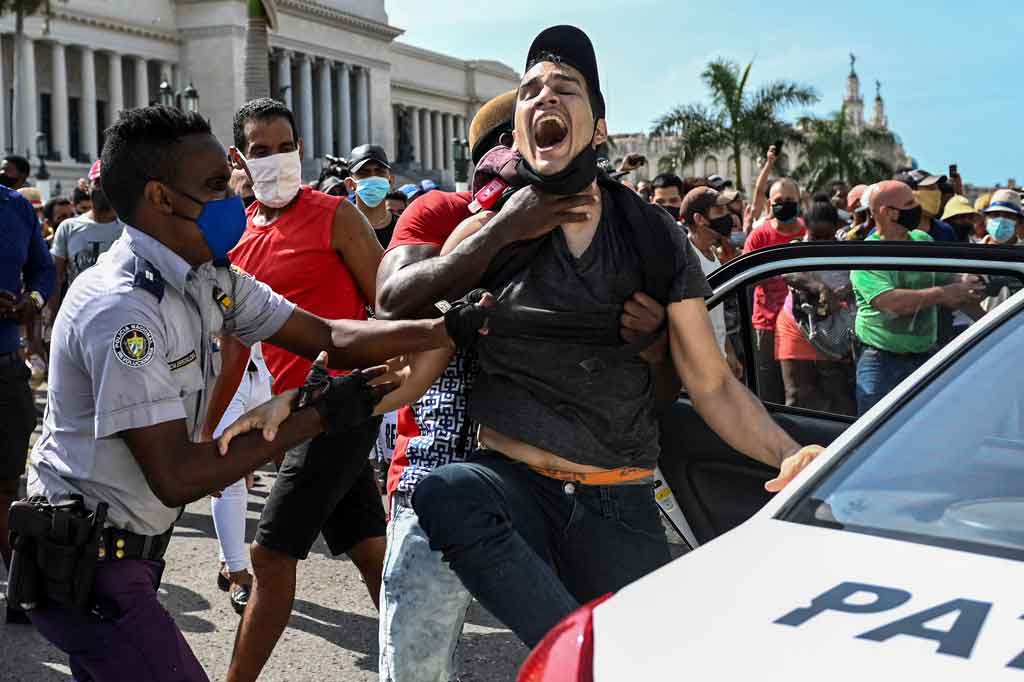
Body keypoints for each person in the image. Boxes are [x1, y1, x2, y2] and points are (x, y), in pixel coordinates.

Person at [410, 24, 823, 649]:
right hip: (512, 487)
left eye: (565, 88)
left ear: (599, 128)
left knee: (642, 656)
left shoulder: (653, 236)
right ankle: (575, 656)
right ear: (516, 129)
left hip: (616, 499)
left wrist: (789, 454)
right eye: (530, 91)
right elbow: (418, 347)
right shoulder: (487, 235)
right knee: (446, 494)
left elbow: (711, 383)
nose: (545, 98)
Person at [22, 104, 466, 681]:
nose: (233, 197)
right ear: (160, 198)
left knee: (357, 542)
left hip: (123, 561)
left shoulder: (210, 276)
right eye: (214, 185)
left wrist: (448, 329)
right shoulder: (122, 310)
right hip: (91, 570)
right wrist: (316, 416)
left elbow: (328, 335)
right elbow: (176, 476)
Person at [373, 87, 668, 681]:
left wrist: (652, 334)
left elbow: (644, 373)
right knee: (415, 664)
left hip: (545, 480)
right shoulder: (444, 214)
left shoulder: (595, 230)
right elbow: (393, 304)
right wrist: (500, 231)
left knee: (589, 648)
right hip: (435, 468)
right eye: (508, 144)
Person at [219, 98, 387, 682]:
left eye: (285, 147)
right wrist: (211, 426)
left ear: (301, 148)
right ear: (239, 159)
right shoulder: (238, 234)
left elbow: (389, 305)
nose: (276, 159)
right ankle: (424, 666)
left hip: (342, 404)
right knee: (369, 548)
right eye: (260, 151)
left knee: (268, 556)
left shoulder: (337, 215)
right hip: (289, 414)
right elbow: (234, 342)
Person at [851, 181, 983, 414]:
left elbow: (945, 278)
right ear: (888, 212)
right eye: (910, 203)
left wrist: (965, 282)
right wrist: (943, 294)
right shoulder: (867, 255)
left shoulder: (922, 240)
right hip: (881, 362)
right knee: (877, 428)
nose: (917, 207)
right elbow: (891, 303)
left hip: (925, 356)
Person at [0, 183, 55, 625]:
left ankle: (20, 592)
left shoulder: (15, 206)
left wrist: (29, 302)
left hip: (6, 371)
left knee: (7, 484)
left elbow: (43, 270)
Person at [203, 340, 273, 614]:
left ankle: (228, 562)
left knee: (245, 472)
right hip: (222, 368)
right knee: (227, 474)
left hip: (261, 370)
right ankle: (237, 573)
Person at [776, 200, 856, 414]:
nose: (821, 242)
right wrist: (820, 287)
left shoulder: (847, 249)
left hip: (836, 329)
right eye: (815, 237)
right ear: (806, 229)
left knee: (840, 396)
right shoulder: (796, 248)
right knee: (796, 395)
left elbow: (861, 279)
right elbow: (789, 273)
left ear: (836, 229)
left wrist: (848, 288)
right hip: (796, 325)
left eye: (827, 236)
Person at [743, 176, 806, 405]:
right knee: (768, 394)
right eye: (779, 200)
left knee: (797, 393)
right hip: (767, 325)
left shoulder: (807, 233)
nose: (784, 204)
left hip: (802, 325)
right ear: (769, 204)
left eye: (790, 200)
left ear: (799, 202)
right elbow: (746, 277)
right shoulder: (759, 236)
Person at [49, 161, 124, 317]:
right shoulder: (68, 227)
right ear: (88, 187)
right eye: (98, 182)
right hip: (77, 314)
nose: (103, 188)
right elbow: (56, 278)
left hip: (119, 313)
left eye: (108, 182)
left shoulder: (129, 229)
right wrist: (54, 318)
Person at [345, 144, 398, 248]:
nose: (373, 177)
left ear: (391, 181)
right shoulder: (340, 227)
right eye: (364, 173)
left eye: (380, 172)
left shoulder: (403, 227)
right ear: (350, 184)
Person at [897, 170, 957, 242]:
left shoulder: (946, 231)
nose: (937, 192)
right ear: (910, 192)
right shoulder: (896, 229)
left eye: (937, 188)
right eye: (930, 188)